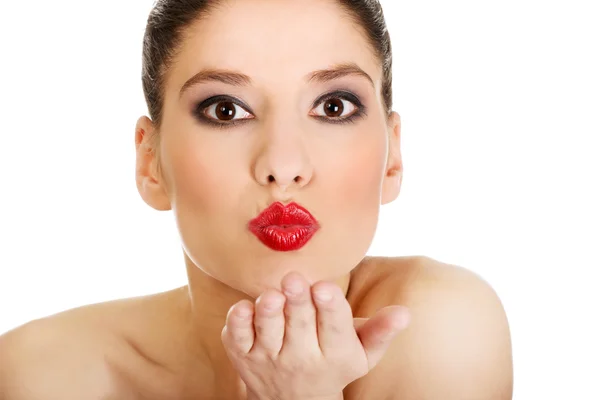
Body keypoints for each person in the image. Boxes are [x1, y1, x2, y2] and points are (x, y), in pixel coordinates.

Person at [0, 0, 513, 398]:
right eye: (226, 110)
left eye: (334, 106)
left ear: (393, 158)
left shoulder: (442, 333)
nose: (283, 164)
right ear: (151, 164)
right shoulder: (38, 377)